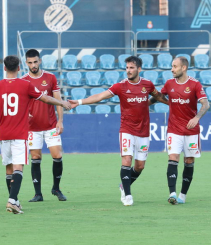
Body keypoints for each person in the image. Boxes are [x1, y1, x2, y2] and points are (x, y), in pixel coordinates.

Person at [0, 55, 71, 214]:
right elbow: (46, 99)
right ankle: (12, 201)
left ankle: (14, 200)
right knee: (18, 168)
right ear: (20, 67)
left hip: (3, 133)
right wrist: (62, 102)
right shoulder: (25, 85)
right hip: (20, 132)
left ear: (4, 68)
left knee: (8, 169)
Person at [69, 55, 168, 206]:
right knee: (126, 160)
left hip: (143, 130)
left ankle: (124, 185)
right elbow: (100, 96)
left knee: (139, 166)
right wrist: (80, 101)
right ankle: (127, 195)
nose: (128, 71)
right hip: (127, 129)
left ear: (139, 69)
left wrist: (173, 104)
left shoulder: (147, 85)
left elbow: (158, 96)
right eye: (127, 68)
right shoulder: (120, 86)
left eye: (131, 68)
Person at [155, 56, 209, 205]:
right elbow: (159, 96)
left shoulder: (195, 84)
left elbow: (205, 104)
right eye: (172, 66)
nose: (172, 69)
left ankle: (183, 195)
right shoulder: (169, 83)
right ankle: (172, 193)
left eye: (174, 66)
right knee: (173, 158)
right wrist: (144, 103)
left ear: (183, 68)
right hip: (174, 129)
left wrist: (196, 118)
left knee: (189, 161)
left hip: (191, 130)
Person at [22, 49, 66, 202]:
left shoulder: (50, 77)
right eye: (30, 62)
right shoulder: (23, 81)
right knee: (35, 157)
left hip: (51, 125)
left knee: (57, 155)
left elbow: (58, 100)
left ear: (39, 61)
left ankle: (56, 188)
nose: (33, 65)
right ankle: (38, 194)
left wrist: (60, 121)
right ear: (26, 63)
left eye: (35, 62)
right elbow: (21, 104)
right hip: (32, 128)